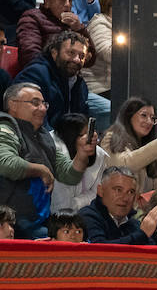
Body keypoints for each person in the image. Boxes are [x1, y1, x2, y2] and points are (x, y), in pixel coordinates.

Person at [0, 82, 96, 238]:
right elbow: (5, 163)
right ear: (13, 104)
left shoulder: (44, 136)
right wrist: (41, 170)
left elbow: (69, 175)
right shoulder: (5, 127)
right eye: (35, 103)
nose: (43, 109)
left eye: (44, 104)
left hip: (37, 222)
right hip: (9, 223)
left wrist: (83, 154)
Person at [101, 96, 157, 194]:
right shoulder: (111, 138)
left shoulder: (153, 146)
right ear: (129, 115)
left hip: (145, 208)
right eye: (144, 115)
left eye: (153, 118)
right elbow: (125, 166)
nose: (149, 121)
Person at [79, 166, 157, 245]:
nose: (125, 198)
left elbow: (155, 261)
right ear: (100, 190)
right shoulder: (87, 216)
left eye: (130, 192)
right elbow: (99, 251)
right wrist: (142, 234)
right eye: (118, 190)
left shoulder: (133, 224)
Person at [15, 29, 90, 129]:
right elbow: (29, 119)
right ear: (54, 53)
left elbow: (81, 120)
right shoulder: (36, 73)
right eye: (71, 53)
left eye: (82, 56)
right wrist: (55, 143)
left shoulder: (80, 84)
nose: (77, 60)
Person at [17, 0, 87, 70]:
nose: (68, 5)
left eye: (70, 1)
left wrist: (79, 29)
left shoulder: (73, 24)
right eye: (62, 0)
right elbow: (30, 54)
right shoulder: (32, 17)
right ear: (47, 2)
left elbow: (90, 59)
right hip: (42, 73)